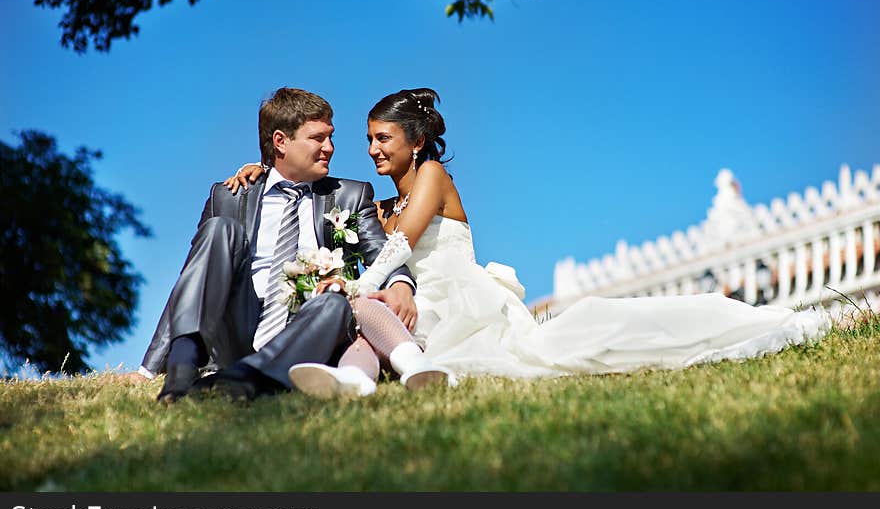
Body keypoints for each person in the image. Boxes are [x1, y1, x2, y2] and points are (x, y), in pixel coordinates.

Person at [226, 88, 831, 380]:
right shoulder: (378, 200)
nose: (371, 150)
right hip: (411, 303)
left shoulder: (433, 177)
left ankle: (749, 323)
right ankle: (351, 383)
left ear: (415, 140)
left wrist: (360, 287)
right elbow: (362, 227)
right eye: (369, 141)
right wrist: (262, 170)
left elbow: (402, 245)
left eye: (382, 139)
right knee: (371, 316)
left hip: (456, 298)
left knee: (563, 347)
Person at [140, 87, 450, 403]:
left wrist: (400, 283)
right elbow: (194, 279)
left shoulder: (349, 196)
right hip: (237, 323)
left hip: (307, 330)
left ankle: (248, 378)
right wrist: (148, 369)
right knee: (220, 229)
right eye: (318, 138)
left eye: (331, 137)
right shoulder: (231, 195)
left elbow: (380, 250)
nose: (329, 148)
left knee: (336, 302)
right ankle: (181, 374)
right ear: (281, 142)